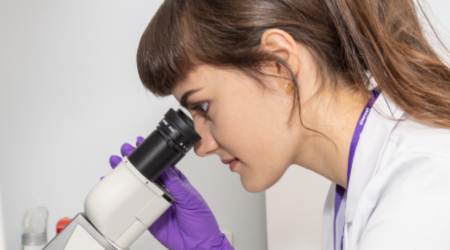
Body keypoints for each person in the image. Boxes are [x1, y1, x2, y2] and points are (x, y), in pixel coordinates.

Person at [110, 0, 450, 249]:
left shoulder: (422, 181)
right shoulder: (345, 195)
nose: (201, 146)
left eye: (202, 106)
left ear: (277, 63)